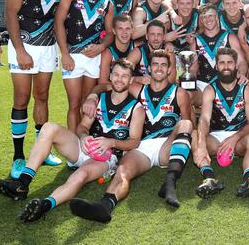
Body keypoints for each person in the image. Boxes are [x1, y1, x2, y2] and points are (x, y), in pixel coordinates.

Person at [0, 59, 140, 222]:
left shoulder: (136, 108)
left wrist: (111, 143)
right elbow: (82, 127)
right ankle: (22, 183)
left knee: (80, 174)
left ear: (131, 80)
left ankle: (45, 205)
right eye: (116, 74)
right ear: (110, 76)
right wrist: (83, 137)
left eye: (124, 76)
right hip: (84, 147)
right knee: (48, 128)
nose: (119, 79)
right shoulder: (100, 99)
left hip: (105, 157)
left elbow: (134, 141)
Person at [70, 51, 193, 222]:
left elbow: (189, 123)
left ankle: (170, 183)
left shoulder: (179, 93)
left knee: (186, 124)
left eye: (163, 65)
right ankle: (105, 206)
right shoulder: (137, 88)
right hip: (141, 146)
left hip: (167, 146)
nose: (159, 68)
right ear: (149, 68)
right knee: (123, 170)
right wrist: (92, 96)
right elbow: (105, 86)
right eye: (155, 64)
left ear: (170, 70)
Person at [4, 0, 68, 178]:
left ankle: (42, 150)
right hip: (25, 45)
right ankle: (18, 156)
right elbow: (10, 12)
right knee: (21, 99)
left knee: (42, 97)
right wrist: (19, 49)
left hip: (48, 47)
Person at [193, 48, 249, 198]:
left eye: (230, 63)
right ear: (216, 66)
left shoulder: (246, 89)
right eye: (222, 63)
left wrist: (234, 138)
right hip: (216, 138)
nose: (226, 66)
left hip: (239, 139)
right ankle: (209, 178)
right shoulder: (210, 89)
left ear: (236, 66)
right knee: (195, 135)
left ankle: (248, 180)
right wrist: (201, 143)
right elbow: (204, 119)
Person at [55, 0, 113, 134]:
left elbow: (110, 33)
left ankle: (83, 142)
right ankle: (73, 147)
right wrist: (64, 53)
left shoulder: (107, 1)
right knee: (73, 103)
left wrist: (102, 46)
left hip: (93, 57)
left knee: (86, 102)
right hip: (72, 56)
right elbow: (58, 22)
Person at [189, 4, 247, 105]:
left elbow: (241, 61)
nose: (208, 19)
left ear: (216, 17)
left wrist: (241, 73)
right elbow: (193, 68)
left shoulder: (230, 37)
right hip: (203, 85)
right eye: (204, 17)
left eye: (210, 15)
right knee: (187, 96)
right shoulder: (195, 40)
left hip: (227, 83)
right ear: (201, 21)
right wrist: (188, 80)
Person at [126, 19, 177, 85]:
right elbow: (123, 75)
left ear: (164, 37)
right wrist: (138, 79)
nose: (156, 38)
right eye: (152, 34)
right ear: (147, 36)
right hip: (140, 91)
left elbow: (171, 80)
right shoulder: (137, 52)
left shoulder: (169, 54)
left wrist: (154, 82)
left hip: (162, 92)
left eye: (159, 34)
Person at [98, 14, 135, 84]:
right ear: (114, 31)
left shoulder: (136, 47)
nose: (124, 32)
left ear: (132, 30)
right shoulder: (107, 53)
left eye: (127, 29)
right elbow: (102, 82)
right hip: (112, 90)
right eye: (120, 29)